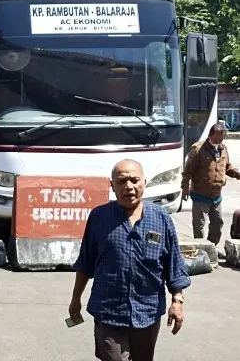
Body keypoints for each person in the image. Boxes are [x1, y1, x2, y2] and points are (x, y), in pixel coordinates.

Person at [69, 159, 190, 361]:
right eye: (122, 181)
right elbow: (85, 263)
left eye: (134, 180)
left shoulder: (161, 218)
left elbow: (174, 266)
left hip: (147, 311)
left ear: (144, 182)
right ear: (112, 186)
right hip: (108, 311)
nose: (129, 187)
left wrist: (177, 301)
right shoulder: (99, 217)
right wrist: (75, 299)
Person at [181, 123, 240, 256]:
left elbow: (228, 167)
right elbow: (187, 171)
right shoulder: (198, 149)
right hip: (200, 195)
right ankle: (201, 252)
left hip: (216, 195)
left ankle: (211, 248)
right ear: (210, 135)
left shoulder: (223, 149)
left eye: (222, 138)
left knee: (217, 224)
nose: (219, 141)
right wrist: (184, 188)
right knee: (199, 226)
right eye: (217, 138)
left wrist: (237, 173)